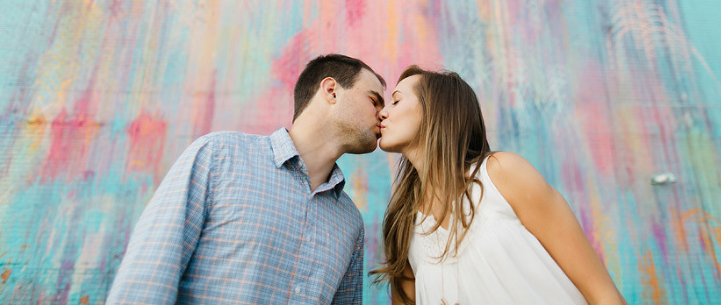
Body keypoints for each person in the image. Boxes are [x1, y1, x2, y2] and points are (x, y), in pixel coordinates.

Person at [106, 54, 386, 305]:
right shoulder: (219, 157)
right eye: (374, 100)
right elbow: (146, 280)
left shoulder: (350, 221)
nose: (384, 114)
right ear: (331, 91)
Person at [372, 65, 626, 305]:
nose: (383, 112)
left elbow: (603, 295)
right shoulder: (403, 226)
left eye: (396, 100)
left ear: (437, 110)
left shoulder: (502, 175)